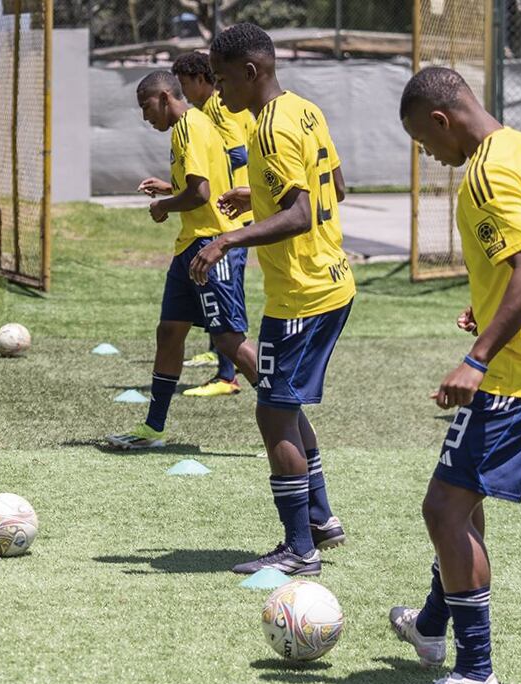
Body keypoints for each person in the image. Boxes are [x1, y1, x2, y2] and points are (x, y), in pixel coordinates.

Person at [389, 66, 521, 684]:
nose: (432, 158)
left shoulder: (481, 174)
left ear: (442, 121)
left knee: (443, 510)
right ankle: (429, 625)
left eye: (425, 144)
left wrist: (477, 358)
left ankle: (476, 675)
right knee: (459, 496)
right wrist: (494, 311)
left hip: (520, 375)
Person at [191, 23, 351, 576]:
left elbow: (301, 214)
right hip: (326, 281)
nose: (217, 89)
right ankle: (322, 521)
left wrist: (227, 238)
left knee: (272, 410)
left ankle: (299, 549)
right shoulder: (305, 110)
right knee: (284, 403)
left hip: (303, 291)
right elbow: (334, 187)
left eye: (222, 78)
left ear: (251, 72)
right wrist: (256, 195)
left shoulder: (268, 131)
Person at [105, 71, 256, 451]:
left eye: (146, 106)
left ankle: (288, 410)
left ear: (164, 96)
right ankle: (153, 428)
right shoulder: (192, 126)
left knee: (229, 339)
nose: (145, 117)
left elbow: (201, 195)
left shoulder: (189, 126)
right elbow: (203, 183)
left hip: (212, 244)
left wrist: (163, 206)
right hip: (189, 246)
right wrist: (171, 189)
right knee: (169, 331)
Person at [173, 50, 256, 398]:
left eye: (184, 83)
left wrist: (220, 180)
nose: (182, 91)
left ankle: (228, 375)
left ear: (200, 79)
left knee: (228, 295)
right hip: (227, 212)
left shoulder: (219, 108)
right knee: (219, 292)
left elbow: (239, 153)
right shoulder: (208, 110)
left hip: (233, 215)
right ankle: (223, 360)